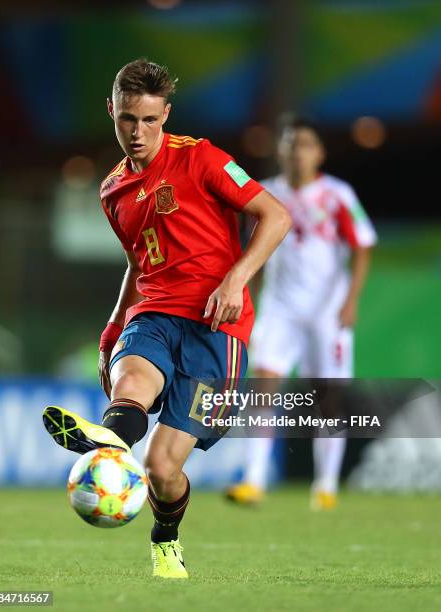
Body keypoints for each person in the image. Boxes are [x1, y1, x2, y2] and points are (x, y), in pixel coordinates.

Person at [42, 59, 291, 578]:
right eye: (129, 119)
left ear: (166, 115)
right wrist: (113, 329)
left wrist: (236, 277)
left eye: (151, 120)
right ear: (112, 111)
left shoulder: (200, 158)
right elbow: (137, 264)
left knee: (162, 469)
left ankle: (164, 536)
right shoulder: (112, 190)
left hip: (218, 327)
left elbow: (276, 214)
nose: (139, 133)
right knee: (130, 382)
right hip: (154, 311)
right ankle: (113, 435)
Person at [226, 117, 377, 509]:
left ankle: (325, 484)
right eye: (291, 144)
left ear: (319, 153)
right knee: (264, 384)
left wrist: (351, 300)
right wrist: (249, 298)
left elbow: (362, 246)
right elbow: (253, 253)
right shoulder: (265, 194)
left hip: (327, 308)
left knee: (325, 396)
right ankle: (254, 480)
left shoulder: (337, 194)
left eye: (306, 144)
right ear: (280, 151)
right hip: (280, 306)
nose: (297, 151)